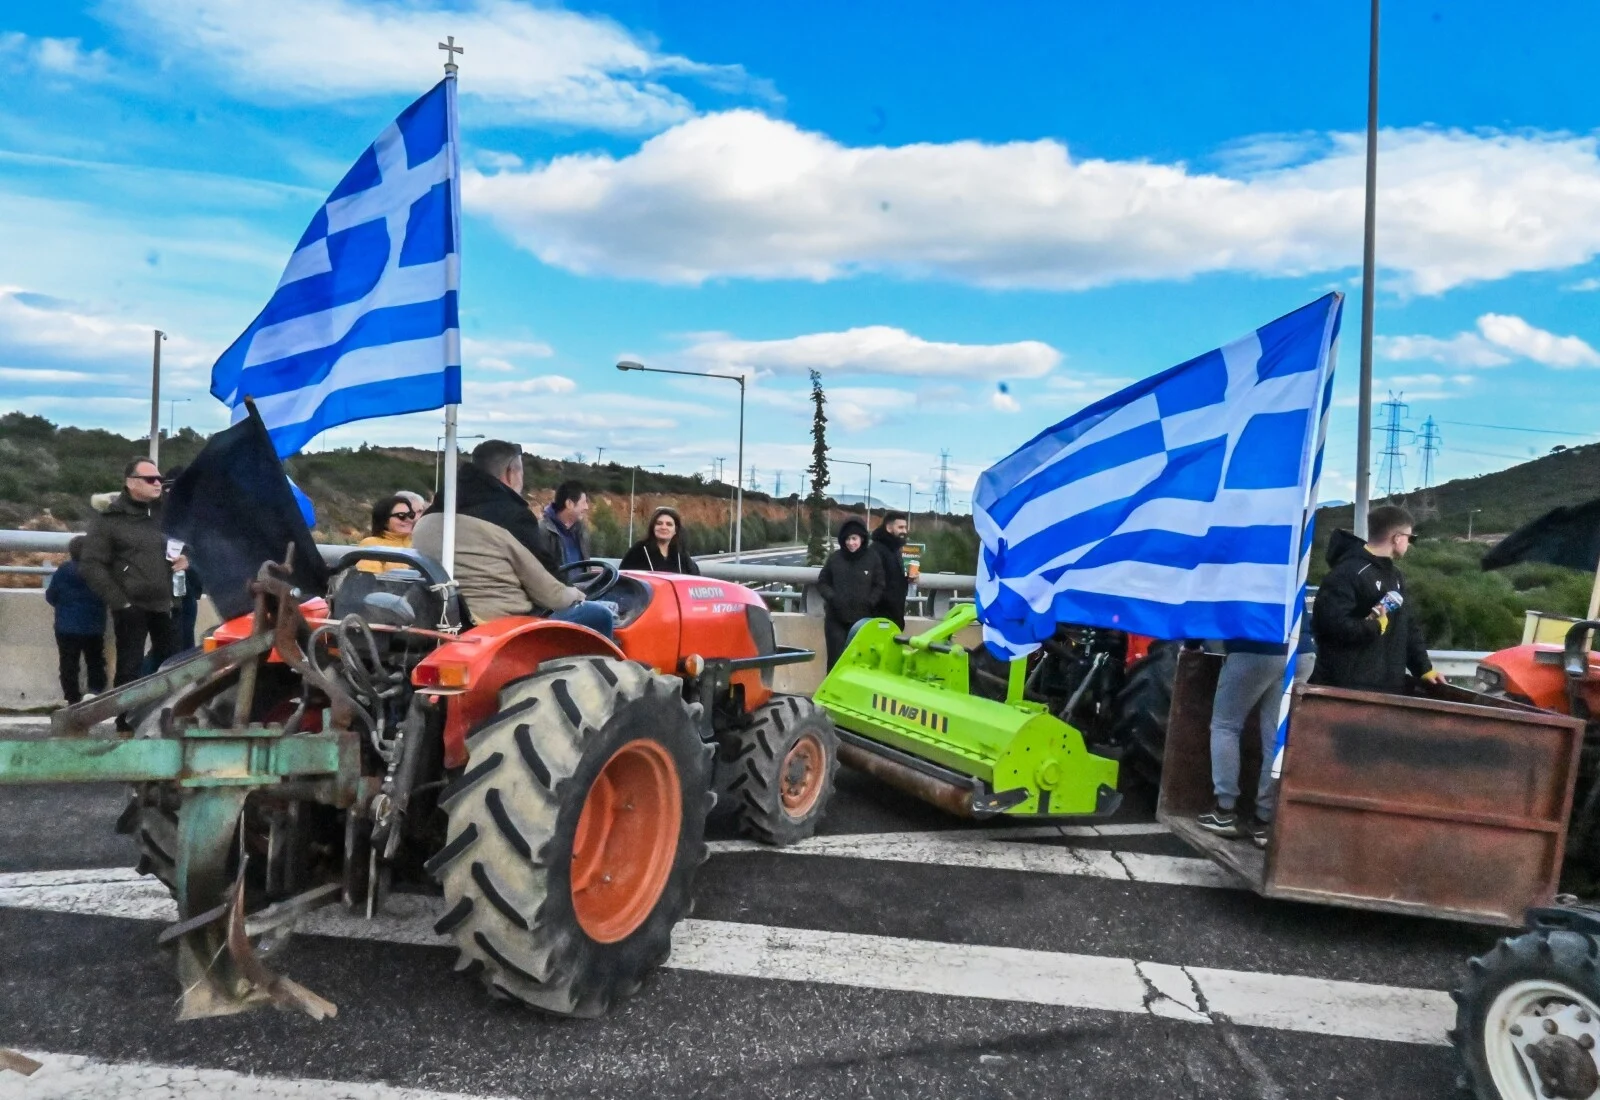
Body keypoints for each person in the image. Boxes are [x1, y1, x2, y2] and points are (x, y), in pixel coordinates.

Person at [413, 441, 613, 637]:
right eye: (521, 474)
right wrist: (577, 594)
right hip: (500, 627)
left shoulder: (430, 516)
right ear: (511, 473)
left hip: (443, 622)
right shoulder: (510, 518)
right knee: (599, 615)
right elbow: (551, 593)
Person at [80, 457, 187, 726]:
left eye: (159, 479)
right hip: (132, 606)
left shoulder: (166, 514)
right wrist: (120, 601)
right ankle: (124, 723)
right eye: (150, 479)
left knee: (174, 664)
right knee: (129, 667)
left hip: (167, 603)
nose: (157, 483)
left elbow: (187, 543)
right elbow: (91, 564)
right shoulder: (109, 520)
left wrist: (186, 559)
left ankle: (167, 719)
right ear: (131, 483)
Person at [1198, 632, 1316, 846]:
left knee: (1226, 726)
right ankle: (1264, 820)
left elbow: (1211, 616)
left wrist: (1191, 643)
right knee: (1276, 738)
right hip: (1302, 652)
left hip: (1255, 648)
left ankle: (1224, 811)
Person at [1311, 504, 1438, 694]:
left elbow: (1408, 626)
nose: (1410, 544)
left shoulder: (1395, 575)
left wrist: (1424, 669)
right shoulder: (1347, 572)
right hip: (1347, 689)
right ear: (1397, 538)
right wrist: (1375, 626)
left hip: (1389, 688)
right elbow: (1330, 626)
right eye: (1411, 537)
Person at [816, 517, 885, 669]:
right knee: (835, 662)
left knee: (859, 662)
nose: (850, 543)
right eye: (847, 539)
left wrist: (870, 602)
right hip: (836, 619)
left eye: (854, 538)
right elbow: (822, 582)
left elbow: (879, 584)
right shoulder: (835, 558)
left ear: (862, 538)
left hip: (862, 620)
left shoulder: (872, 558)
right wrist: (833, 598)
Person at [46, 535, 106, 705]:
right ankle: (95, 692)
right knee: (95, 661)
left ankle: (72, 697)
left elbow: (51, 595)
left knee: (68, 663)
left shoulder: (63, 570)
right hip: (94, 626)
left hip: (66, 627)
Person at [619, 507, 700, 574]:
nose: (663, 527)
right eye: (659, 523)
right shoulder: (639, 549)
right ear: (653, 527)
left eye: (669, 524)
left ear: (675, 530)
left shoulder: (681, 553)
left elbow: (696, 578)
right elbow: (624, 577)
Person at [867, 511, 910, 629]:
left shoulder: (895, 549)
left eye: (905, 527)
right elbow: (873, 582)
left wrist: (907, 578)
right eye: (900, 527)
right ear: (889, 528)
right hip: (880, 617)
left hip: (894, 615)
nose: (904, 531)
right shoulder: (876, 550)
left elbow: (893, 578)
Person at [357, 493, 417, 573]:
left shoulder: (417, 543)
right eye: (401, 515)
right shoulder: (372, 544)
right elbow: (370, 576)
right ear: (384, 521)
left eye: (411, 515)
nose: (408, 519)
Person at [538, 481, 592, 568]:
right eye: (583, 502)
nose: (586, 507)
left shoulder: (581, 531)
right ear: (569, 504)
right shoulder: (542, 531)